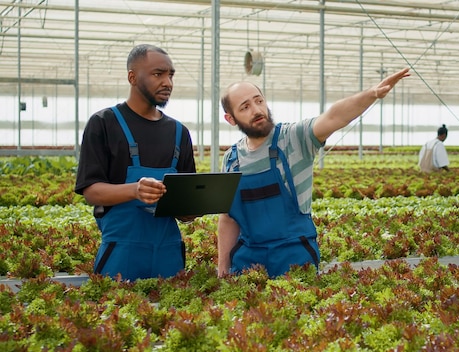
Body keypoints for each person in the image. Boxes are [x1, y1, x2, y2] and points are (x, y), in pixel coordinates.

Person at [217, 68, 410, 278]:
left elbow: (334, 116)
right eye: (245, 107)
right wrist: (223, 269)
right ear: (231, 119)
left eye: (259, 101)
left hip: (294, 257)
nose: (256, 110)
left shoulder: (294, 138)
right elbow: (228, 219)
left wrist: (372, 94)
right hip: (248, 260)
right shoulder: (232, 160)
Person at [74, 44, 197, 281]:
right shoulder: (104, 123)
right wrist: (135, 190)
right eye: (157, 74)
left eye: (170, 75)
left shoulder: (179, 132)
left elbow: (184, 209)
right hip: (121, 255)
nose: (167, 82)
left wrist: (194, 207)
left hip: (168, 255)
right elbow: (91, 191)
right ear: (132, 77)